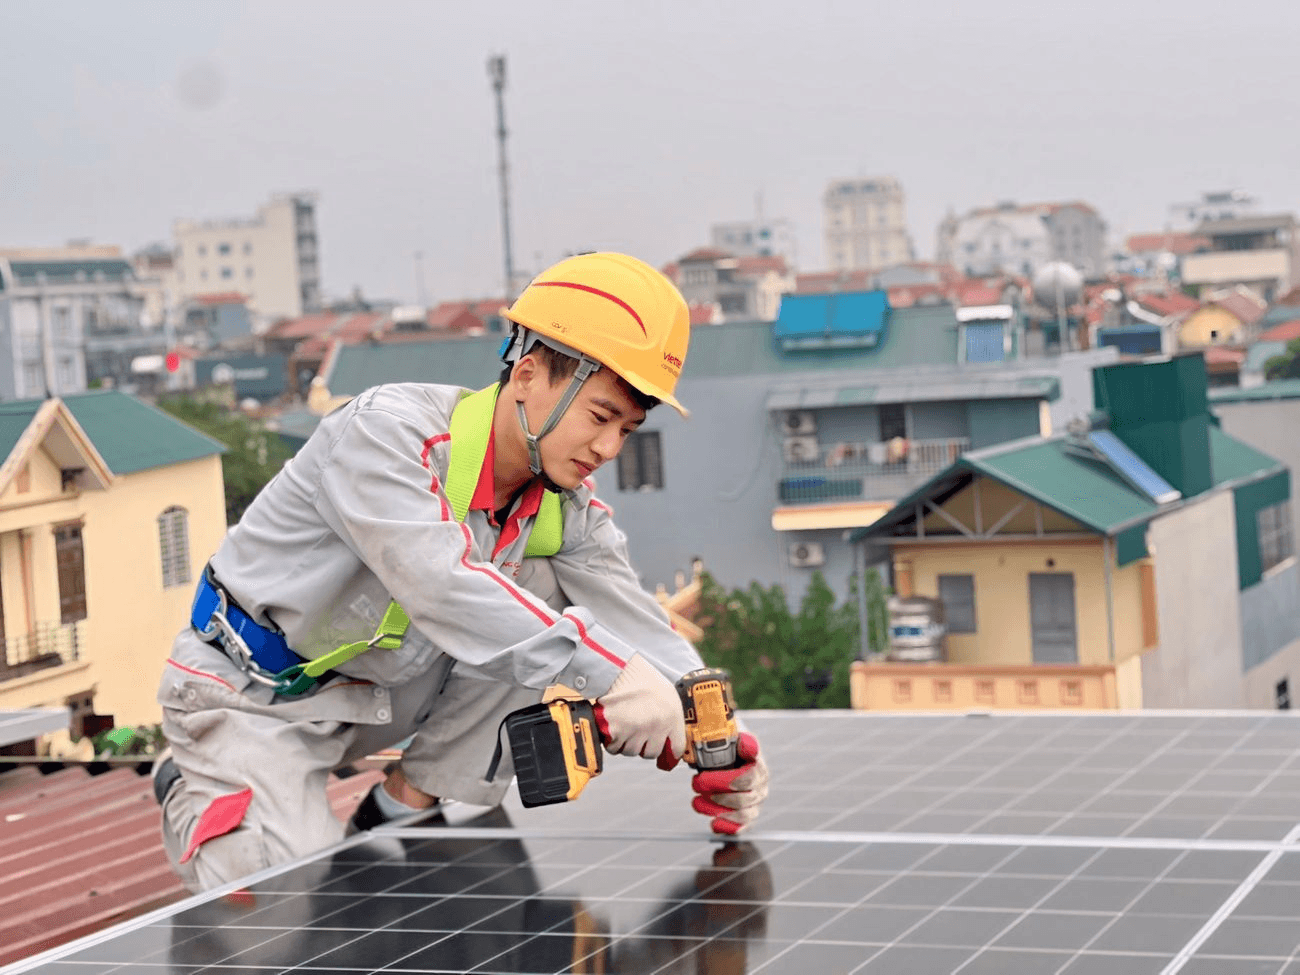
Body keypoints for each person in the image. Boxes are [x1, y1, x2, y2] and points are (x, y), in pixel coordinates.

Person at [152, 252, 770, 892]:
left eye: (628, 429)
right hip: (251, 695)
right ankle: (191, 783)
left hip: (374, 698)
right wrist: (611, 676)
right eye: (600, 417)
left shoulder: (564, 507)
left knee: (550, 592)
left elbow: (639, 624)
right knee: (277, 911)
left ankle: (400, 807)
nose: (609, 449)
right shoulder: (384, 438)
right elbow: (442, 585)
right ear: (528, 375)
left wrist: (724, 733)